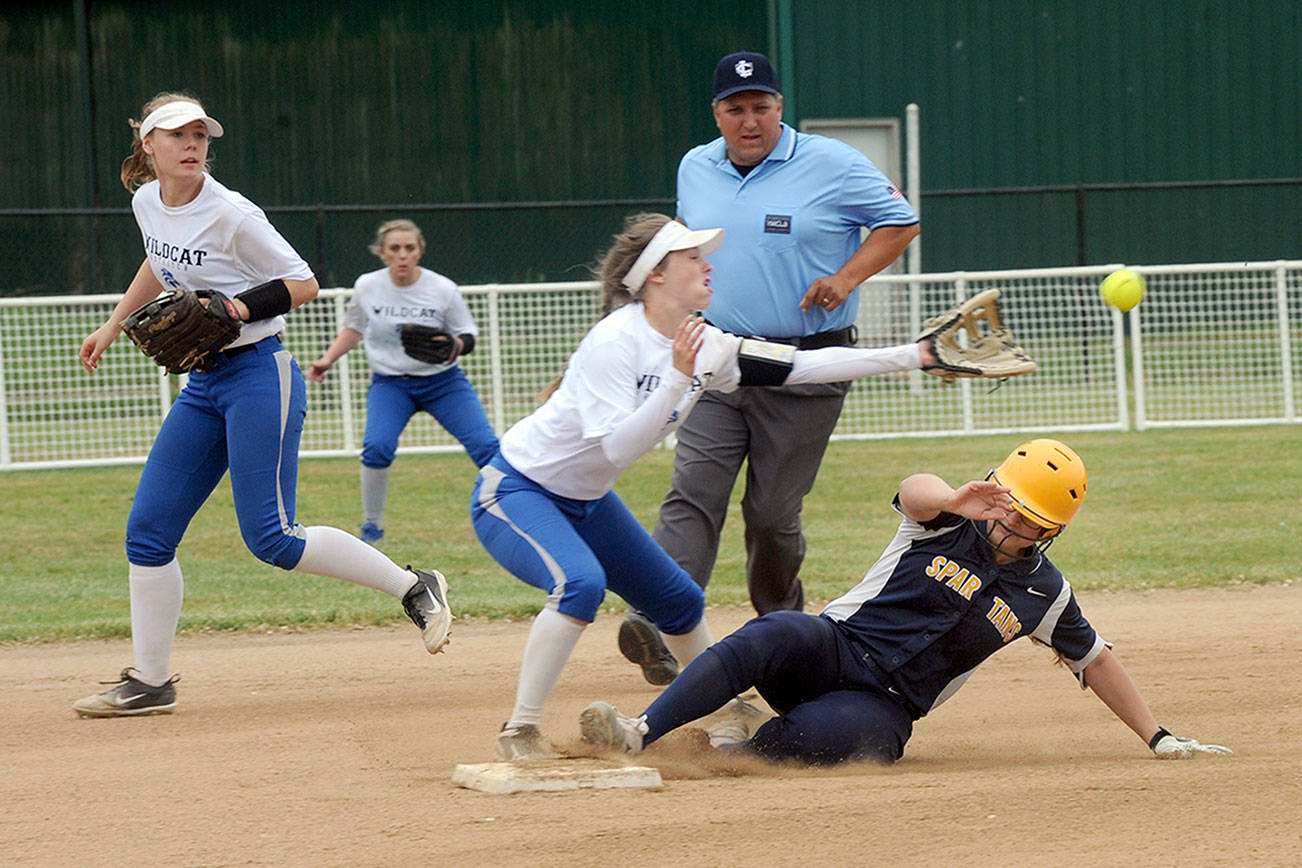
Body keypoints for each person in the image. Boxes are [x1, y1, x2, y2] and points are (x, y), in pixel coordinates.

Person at [473, 212, 943, 760]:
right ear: (656, 276)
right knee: (580, 586)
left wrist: (915, 356)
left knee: (678, 600)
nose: (707, 264)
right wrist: (678, 376)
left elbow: (803, 365)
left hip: (586, 501)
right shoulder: (616, 342)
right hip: (515, 491)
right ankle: (519, 730)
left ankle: (725, 707)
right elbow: (617, 449)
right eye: (691, 257)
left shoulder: (708, 343)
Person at [73, 93, 452, 718]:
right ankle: (150, 681)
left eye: (200, 134)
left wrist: (237, 307)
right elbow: (158, 257)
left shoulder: (232, 212)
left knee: (272, 539)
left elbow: (304, 281)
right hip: (203, 381)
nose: (193, 144)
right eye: (178, 134)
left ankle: (414, 585)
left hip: (257, 375)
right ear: (150, 147)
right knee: (148, 533)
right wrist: (114, 323)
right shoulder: (147, 201)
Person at [581, 439, 1234, 764]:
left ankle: (727, 750)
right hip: (828, 648)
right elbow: (913, 487)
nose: (1008, 522)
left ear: (1053, 531)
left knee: (827, 738)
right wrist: (954, 498)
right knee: (773, 630)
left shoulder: (1045, 594)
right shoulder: (947, 519)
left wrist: (1160, 737)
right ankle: (640, 732)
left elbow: (1096, 660)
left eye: (1028, 519)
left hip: (882, 707)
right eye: (1008, 503)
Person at [620, 50, 923, 686]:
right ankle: (659, 620)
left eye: (761, 106)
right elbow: (687, 253)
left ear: (779, 108)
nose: (749, 119)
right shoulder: (695, 167)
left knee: (771, 513)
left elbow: (900, 222)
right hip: (718, 355)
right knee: (693, 489)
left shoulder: (833, 163)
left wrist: (845, 277)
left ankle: (783, 629)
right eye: (735, 108)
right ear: (717, 113)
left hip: (805, 363)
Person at [307, 219, 499, 544]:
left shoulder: (443, 289)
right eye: (394, 248)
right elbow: (354, 329)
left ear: (420, 251)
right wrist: (327, 360)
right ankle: (372, 528)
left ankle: (512, 511)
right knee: (377, 448)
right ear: (381, 253)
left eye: (409, 248)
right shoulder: (368, 286)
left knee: (486, 447)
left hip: (443, 383)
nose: (402, 255)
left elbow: (469, 335)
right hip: (391, 384)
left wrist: (455, 346)